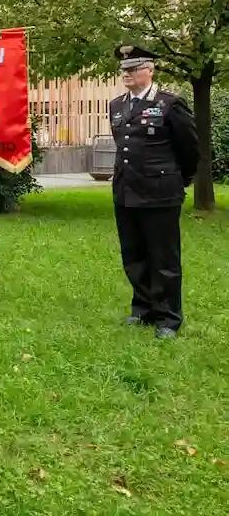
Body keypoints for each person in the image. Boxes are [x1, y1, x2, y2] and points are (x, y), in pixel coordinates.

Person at [109, 45, 198, 340]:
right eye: (124, 69)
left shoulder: (170, 104)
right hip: (126, 191)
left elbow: (189, 148)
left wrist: (179, 179)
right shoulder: (117, 105)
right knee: (133, 254)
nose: (127, 74)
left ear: (150, 69)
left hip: (160, 192)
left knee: (163, 257)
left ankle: (168, 318)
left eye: (133, 68)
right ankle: (143, 308)